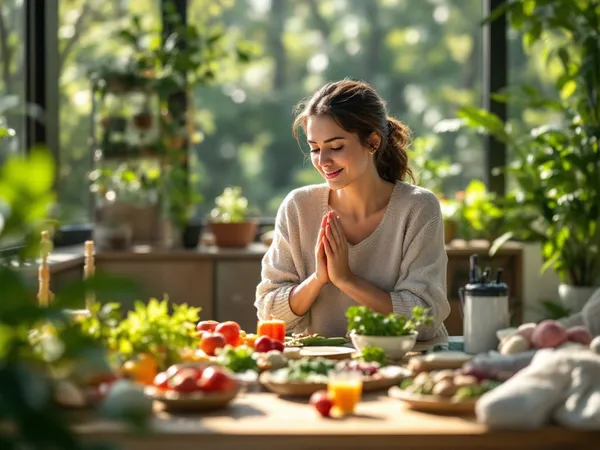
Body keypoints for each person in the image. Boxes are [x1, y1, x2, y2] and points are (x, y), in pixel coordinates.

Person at [255, 79, 450, 341]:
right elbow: (268, 315)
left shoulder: (418, 207)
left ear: (372, 142)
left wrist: (346, 279)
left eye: (336, 147)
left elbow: (424, 318)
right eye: (315, 148)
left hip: (405, 364)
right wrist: (318, 279)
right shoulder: (299, 207)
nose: (323, 161)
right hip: (320, 368)